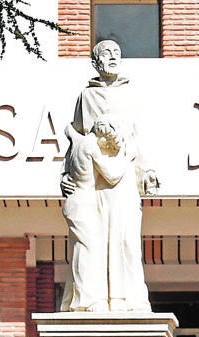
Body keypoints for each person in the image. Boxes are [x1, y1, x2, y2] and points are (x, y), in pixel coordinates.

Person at [58, 40, 159, 312]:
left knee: (126, 238)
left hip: (124, 177)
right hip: (95, 183)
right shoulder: (86, 97)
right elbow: (77, 141)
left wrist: (146, 170)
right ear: (95, 62)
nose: (113, 57)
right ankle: (96, 299)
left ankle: (129, 300)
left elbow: (140, 137)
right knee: (97, 240)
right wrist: (66, 175)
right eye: (106, 53)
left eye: (116, 53)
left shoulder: (131, 94)